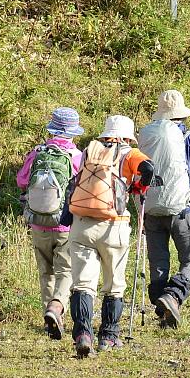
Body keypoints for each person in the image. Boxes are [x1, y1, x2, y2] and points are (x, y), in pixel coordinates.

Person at [66, 115, 154, 357]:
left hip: (81, 223)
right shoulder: (130, 153)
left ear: (105, 134)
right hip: (113, 227)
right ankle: (108, 336)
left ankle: (83, 334)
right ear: (128, 136)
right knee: (114, 284)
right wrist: (138, 187)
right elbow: (149, 168)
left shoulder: (89, 151)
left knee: (83, 284)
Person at [137, 90, 190, 329]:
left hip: (152, 208)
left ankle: (162, 307)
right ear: (181, 116)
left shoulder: (148, 137)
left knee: (159, 262)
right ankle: (173, 296)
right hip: (183, 209)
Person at [15, 107, 84, 339]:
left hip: (38, 222)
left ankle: (49, 318)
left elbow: (22, 181)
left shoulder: (37, 153)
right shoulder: (77, 156)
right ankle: (56, 306)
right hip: (65, 224)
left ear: (52, 129)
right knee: (66, 270)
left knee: (46, 271)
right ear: (73, 132)